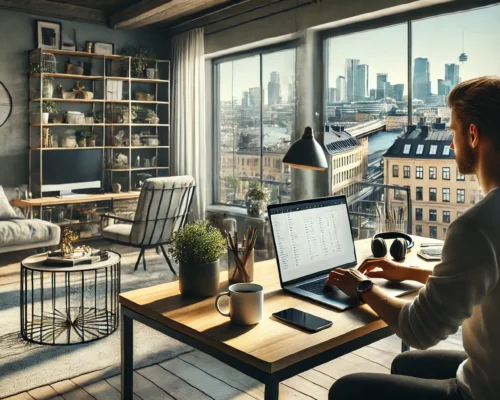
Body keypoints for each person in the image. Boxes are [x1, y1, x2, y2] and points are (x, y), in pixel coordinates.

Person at [327, 77, 500, 400]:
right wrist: (404, 271)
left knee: (345, 389)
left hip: (481, 392)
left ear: (473, 135)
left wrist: (363, 287)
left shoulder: (477, 227)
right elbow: (481, 280)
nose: (451, 145)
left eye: (453, 132)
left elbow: (417, 329)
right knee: (404, 363)